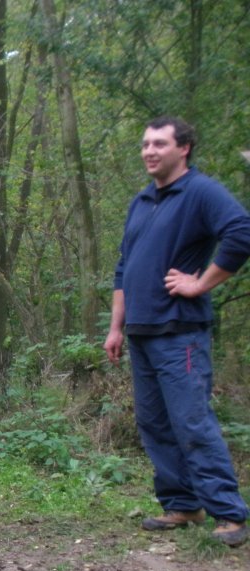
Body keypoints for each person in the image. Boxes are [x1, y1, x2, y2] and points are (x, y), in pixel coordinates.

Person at [104, 115, 250, 547]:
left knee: (191, 421)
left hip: (180, 331)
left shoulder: (200, 192)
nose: (149, 151)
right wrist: (115, 327)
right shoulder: (142, 201)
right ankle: (183, 505)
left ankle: (229, 514)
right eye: (146, 144)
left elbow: (241, 233)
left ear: (183, 148)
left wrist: (200, 283)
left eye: (159, 144)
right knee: (154, 424)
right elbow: (124, 268)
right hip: (141, 332)